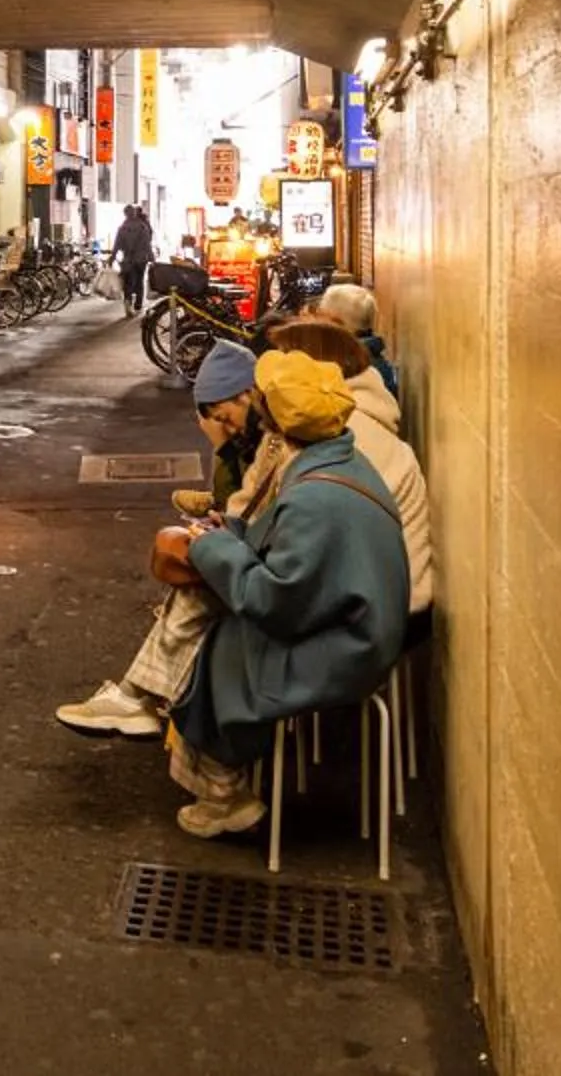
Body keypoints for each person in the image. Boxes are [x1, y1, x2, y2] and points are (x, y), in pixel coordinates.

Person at [163, 350, 410, 839]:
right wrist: (228, 533)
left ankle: (222, 788)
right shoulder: (344, 461)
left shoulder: (313, 496)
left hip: (347, 651)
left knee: (218, 644)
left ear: (280, 424)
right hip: (359, 626)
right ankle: (200, 757)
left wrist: (213, 547)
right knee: (216, 631)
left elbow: (273, 600)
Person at [55, 339, 268, 736]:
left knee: (198, 586)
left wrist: (221, 521)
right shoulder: (284, 445)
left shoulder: (281, 450)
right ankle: (140, 696)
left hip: (298, 607)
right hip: (297, 587)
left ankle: (141, 697)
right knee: (195, 572)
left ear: (247, 395)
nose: (227, 428)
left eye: (225, 417)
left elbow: (263, 526)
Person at [263, 318, 434, 617]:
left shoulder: (346, 438)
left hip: (371, 615)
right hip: (360, 597)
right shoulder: (334, 426)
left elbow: (298, 568)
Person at [314, 283, 398, 397]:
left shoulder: (352, 366)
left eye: (320, 315)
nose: (315, 323)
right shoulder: (370, 358)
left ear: (335, 323)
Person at [112, 204, 157, 313]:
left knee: (128, 282)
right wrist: (152, 258)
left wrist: (112, 257)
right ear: (134, 213)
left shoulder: (122, 228)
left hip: (128, 259)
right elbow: (147, 244)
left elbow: (117, 244)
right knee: (139, 280)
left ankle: (127, 302)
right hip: (141, 259)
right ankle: (138, 303)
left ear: (125, 214)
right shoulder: (142, 227)